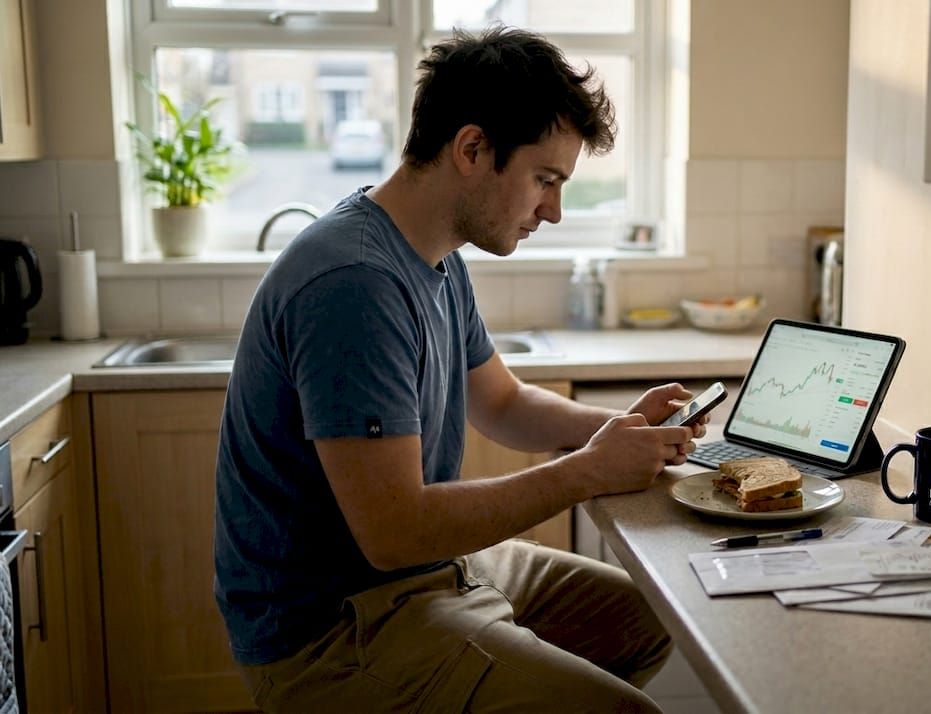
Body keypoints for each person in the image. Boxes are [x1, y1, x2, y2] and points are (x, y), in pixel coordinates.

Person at [213, 26, 706, 713]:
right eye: (545, 180)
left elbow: (502, 402)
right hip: (333, 630)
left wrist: (629, 431)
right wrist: (588, 469)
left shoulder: (434, 258)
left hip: (421, 575)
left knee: (651, 614)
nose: (555, 212)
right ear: (472, 149)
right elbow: (396, 532)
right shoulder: (355, 281)